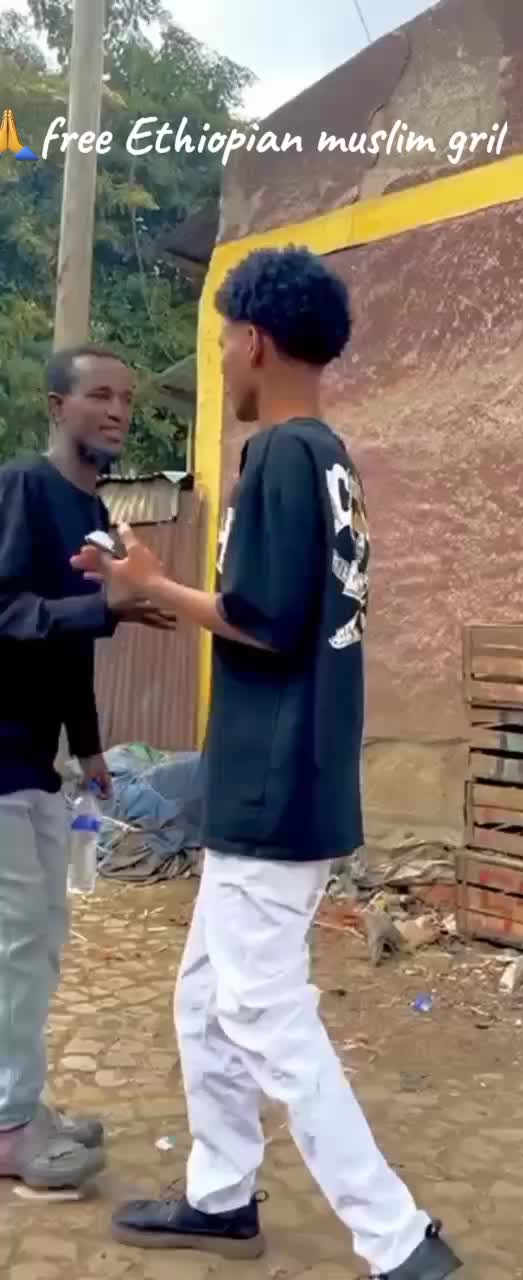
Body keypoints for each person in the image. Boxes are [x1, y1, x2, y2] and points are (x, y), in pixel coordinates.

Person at [73, 249, 463, 1279]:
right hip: (291, 767)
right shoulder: (327, 459)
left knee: (259, 1009)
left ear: (253, 340)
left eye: (221, 342)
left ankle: (398, 1238)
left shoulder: (282, 455)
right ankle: (221, 1196)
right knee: (206, 996)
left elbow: (262, 620)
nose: (220, 361)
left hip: (273, 776)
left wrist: (152, 581)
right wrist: (152, 583)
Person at [0, 345, 173, 1191]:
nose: (117, 412)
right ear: (56, 406)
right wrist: (102, 604)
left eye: (127, 400)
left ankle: (19, 1103)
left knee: (39, 938)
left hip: (37, 755)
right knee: (15, 939)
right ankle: (8, 1126)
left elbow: (69, 647)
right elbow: (8, 612)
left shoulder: (94, 511)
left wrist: (93, 745)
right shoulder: (21, 488)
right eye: (99, 395)